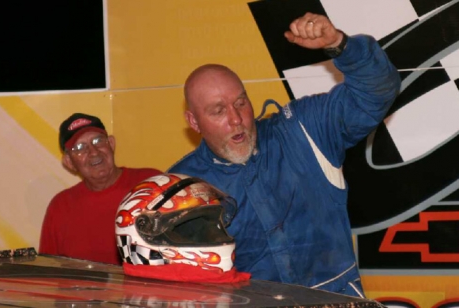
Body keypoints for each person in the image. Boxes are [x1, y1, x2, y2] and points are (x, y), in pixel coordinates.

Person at [168, 12, 401, 296]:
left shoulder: (304, 130)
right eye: (218, 110)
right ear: (193, 122)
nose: (236, 118)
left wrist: (340, 44)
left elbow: (378, 91)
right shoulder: (183, 188)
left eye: (241, 102)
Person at [39, 113, 162, 265]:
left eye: (98, 141)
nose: (94, 152)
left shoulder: (151, 184)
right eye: (80, 148)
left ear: (111, 143)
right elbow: (48, 272)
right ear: (69, 162)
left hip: (144, 288)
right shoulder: (60, 206)